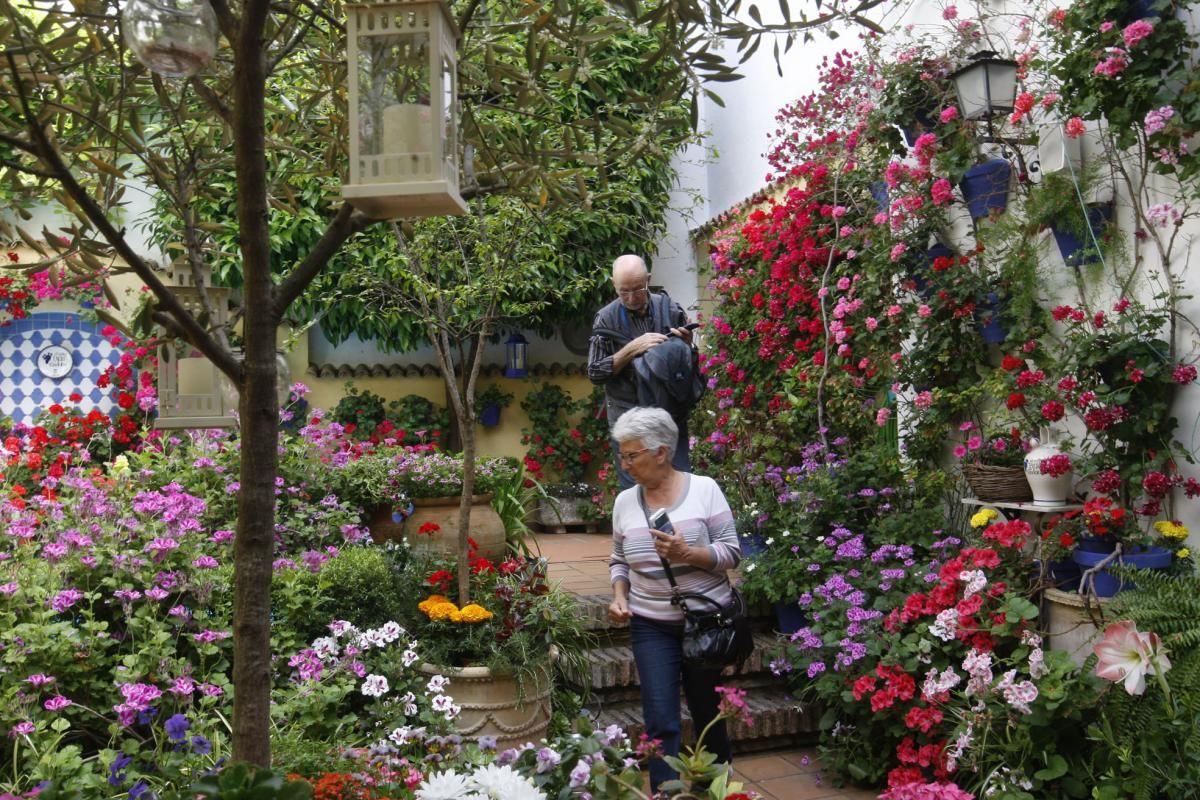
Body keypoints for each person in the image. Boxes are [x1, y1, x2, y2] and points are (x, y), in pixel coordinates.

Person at [606, 406, 740, 794]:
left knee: (707, 713)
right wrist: (619, 596)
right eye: (622, 455)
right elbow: (618, 559)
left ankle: (716, 791)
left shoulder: (704, 490)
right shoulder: (624, 503)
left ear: (661, 452)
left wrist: (689, 555)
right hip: (650, 625)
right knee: (660, 716)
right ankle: (666, 793)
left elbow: (731, 552)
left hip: (706, 624)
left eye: (632, 455)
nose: (625, 464)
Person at [587, 254, 694, 489]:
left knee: (677, 483)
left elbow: (687, 363)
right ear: (614, 285)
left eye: (637, 289)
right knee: (636, 491)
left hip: (669, 414)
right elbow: (595, 372)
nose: (631, 298)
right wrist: (632, 349)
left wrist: (686, 344)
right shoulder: (605, 319)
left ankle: (677, 528)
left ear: (648, 279)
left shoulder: (671, 309)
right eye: (623, 291)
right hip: (628, 419)